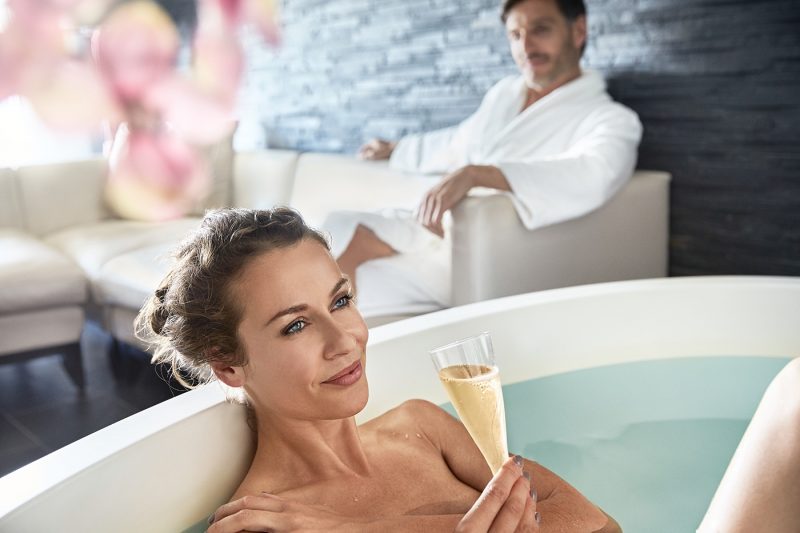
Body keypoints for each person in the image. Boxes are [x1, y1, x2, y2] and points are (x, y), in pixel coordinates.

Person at [138, 207, 800, 532]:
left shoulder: (421, 429)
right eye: (297, 323)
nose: (347, 338)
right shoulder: (266, 522)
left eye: (342, 299)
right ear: (229, 364)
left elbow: (600, 524)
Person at [328, 0, 643, 314]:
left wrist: (481, 174)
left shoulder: (610, 120)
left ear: (578, 30)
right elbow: (460, 140)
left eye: (540, 30)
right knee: (333, 233)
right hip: (438, 230)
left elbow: (594, 173)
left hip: (482, 253)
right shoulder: (505, 94)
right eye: (515, 35)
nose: (526, 47)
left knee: (330, 281)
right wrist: (399, 149)